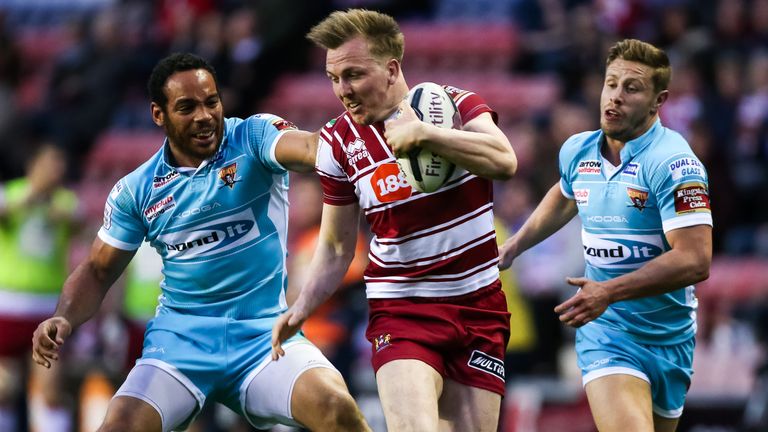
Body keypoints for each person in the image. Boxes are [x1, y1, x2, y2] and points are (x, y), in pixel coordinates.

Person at [31, 53, 370, 432]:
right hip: (179, 346)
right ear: (158, 114)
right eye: (186, 107)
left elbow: (309, 149)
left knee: (336, 407)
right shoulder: (136, 190)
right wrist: (63, 315)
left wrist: (359, 133)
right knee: (120, 425)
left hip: (262, 337)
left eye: (212, 102)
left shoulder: (254, 136)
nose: (205, 116)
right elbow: (98, 270)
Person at [271, 9, 518, 432]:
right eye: (333, 78)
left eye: (353, 75)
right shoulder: (338, 142)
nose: (342, 91)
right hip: (402, 309)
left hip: (479, 308)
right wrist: (301, 308)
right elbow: (335, 246)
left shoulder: (456, 104)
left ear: (391, 69)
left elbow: (504, 161)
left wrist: (428, 135)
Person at [498, 39, 713, 432]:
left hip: (670, 337)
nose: (615, 97)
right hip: (607, 332)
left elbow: (695, 259)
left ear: (657, 100)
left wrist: (608, 290)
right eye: (610, 84)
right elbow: (565, 196)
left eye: (631, 88)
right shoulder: (578, 150)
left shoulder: (675, 163)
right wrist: (515, 244)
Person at [0, 144, 80, 432]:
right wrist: (31, 197)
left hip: (46, 308)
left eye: (60, 165)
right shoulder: (11, 193)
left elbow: (81, 225)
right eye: (50, 163)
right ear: (33, 165)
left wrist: (57, 211)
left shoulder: (65, 201)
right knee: (3, 390)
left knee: (51, 390)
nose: (56, 171)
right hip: (8, 305)